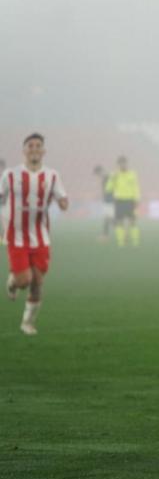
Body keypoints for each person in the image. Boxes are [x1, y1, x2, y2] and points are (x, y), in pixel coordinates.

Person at [3, 134, 69, 335]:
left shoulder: (52, 175)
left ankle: (27, 323)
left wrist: (62, 202)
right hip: (16, 236)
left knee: (37, 282)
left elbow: (63, 199)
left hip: (41, 237)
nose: (34, 148)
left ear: (43, 151)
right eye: (30, 145)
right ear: (24, 151)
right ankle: (13, 282)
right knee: (24, 281)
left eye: (38, 145)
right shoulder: (10, 175)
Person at [106, 155, 141, 247]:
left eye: (124, 163)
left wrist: (137, 199)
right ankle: (121, 243)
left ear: (127, 164)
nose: (123, 165)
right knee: (119, 222)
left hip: (130, 200)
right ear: (118, 165)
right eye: (121, 164)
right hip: (119, 200)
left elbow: (136, 187)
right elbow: (108, 189)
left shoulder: (132, 174)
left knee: (133, 221)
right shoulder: (115, 175)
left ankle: (135, 242)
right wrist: (112, 178)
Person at [93, 165, 114, 242]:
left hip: (110, 201)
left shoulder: (108, 177)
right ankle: (106, 235)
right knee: (108, 218)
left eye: (97, 174)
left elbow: (111, 190)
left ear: (100, 171)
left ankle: (105, 235)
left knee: (108, 218)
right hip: (107, 201)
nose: (97, 176)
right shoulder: (105, 178)